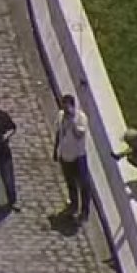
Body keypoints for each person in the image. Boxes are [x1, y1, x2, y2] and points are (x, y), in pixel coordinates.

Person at [54, 94, 90, 222]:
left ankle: (84, 211)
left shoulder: (81, 118)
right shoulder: (60, 116)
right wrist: (56, 149)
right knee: (70, 182)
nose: (65, 111)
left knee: (84, 184)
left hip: (78, 156)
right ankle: (73, 205)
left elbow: (79, 135)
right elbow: (59, 132)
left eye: (66, 108)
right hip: (65, 154)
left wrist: (72, 120)